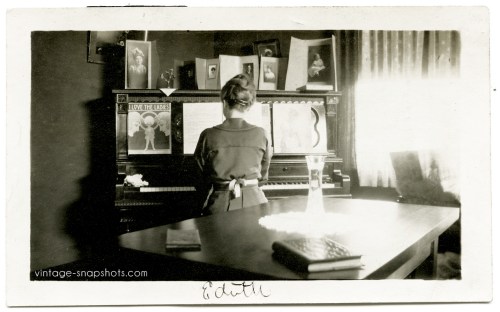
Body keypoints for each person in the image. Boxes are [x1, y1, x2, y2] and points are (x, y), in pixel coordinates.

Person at [194, 74, 273, 215]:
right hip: (257, 205)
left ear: (224, 103)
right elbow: (263, 177)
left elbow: (201, 181)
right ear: (249, 107)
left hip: (220, 206)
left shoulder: (208, 135)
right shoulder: (262, 134)